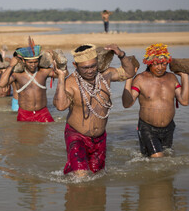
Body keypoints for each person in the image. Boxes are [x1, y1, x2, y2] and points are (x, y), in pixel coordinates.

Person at [53, 44, 135, 177]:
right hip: (76, 136)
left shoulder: (106, 75)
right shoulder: (70, 83)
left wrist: (121, 54)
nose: (90, 71)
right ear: (75, 65)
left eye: (93, 66)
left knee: (97, 176)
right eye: (85, 68)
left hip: (100, 138)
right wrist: (61, 77)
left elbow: (129, 73)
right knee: (81, 176)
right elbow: (61, 106)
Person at [122, 43, 189, 157]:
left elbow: (184, 101)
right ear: (149, 63)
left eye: (164, 64)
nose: (160, 67)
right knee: (158, 158)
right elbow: (127, 104)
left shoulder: (172, 78)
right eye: (156, 64)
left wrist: (184, 76)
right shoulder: (140, 79)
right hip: (147, 128)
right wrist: (129, 78)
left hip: (169, 127)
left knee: (165, 158)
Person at [0, 42, 63, 122]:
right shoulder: (18, 75)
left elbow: (63, 74)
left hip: (43, 112)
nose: (33, 65)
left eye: (35, 62)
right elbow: (2, 84)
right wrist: (11, 65)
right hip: (24, 113)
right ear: (24, 61)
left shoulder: (43, 72)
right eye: (30, 62)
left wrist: (57, 61)